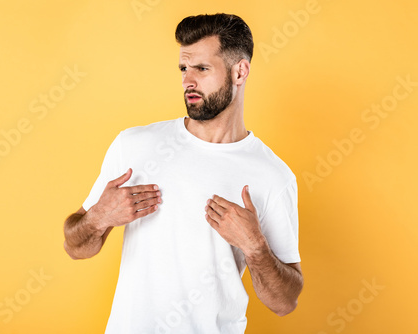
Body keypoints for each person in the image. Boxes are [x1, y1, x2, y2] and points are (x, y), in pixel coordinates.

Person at [63, 13, 303, 334]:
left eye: (202, 69)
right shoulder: (135, 145)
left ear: (240, 72)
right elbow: (75, 247)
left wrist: (255, 247)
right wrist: (98, 218)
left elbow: (284, 302)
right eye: (183, 68)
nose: (187, 80)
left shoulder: (272, 176)